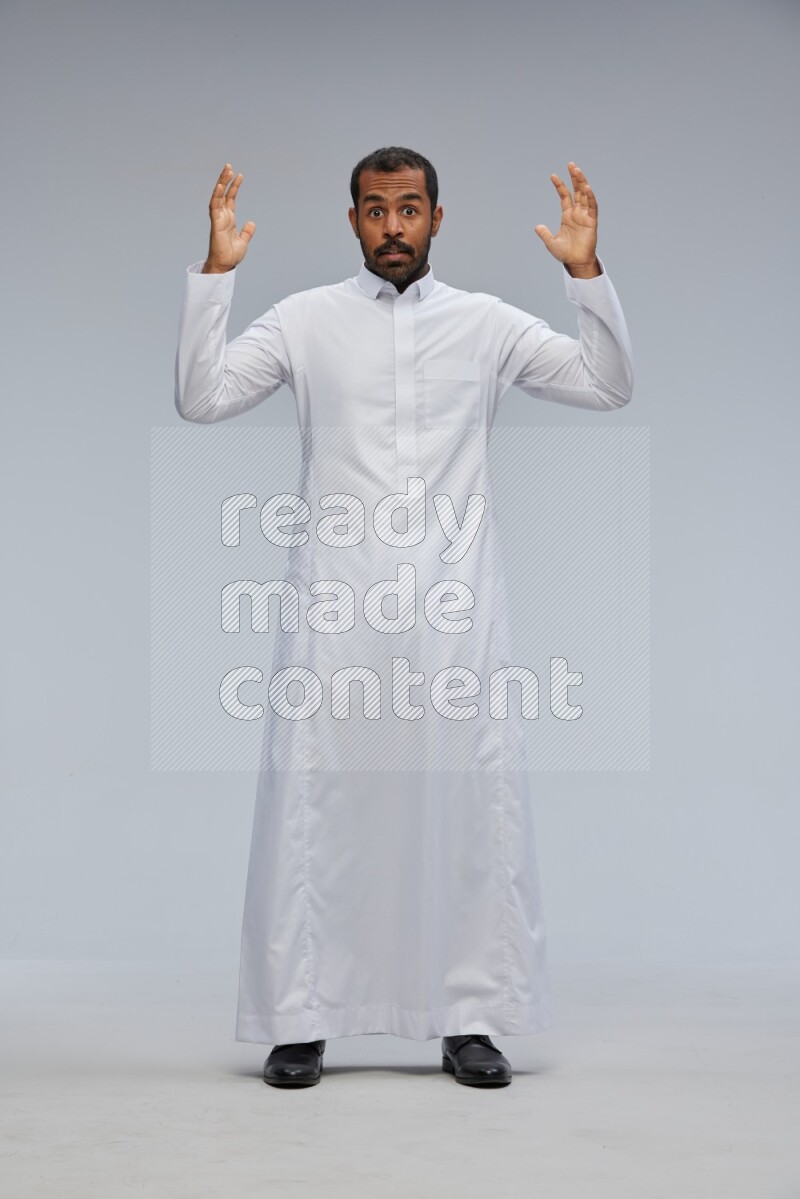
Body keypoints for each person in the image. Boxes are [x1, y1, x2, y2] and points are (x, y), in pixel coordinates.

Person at [174, 146, 634, 1089]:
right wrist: (216, 275)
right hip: (334, 606)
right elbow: (200, 396)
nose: (393, 226)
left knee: (466, 808)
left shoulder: (486, 324)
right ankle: (300, 1018)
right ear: (352, 220)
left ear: (436, 218)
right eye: (376, 209)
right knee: (314, 806)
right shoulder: (305, 320)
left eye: (409, 208)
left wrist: (585, 272)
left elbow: (606, 383)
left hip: (454, 610)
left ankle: (470, 1020)